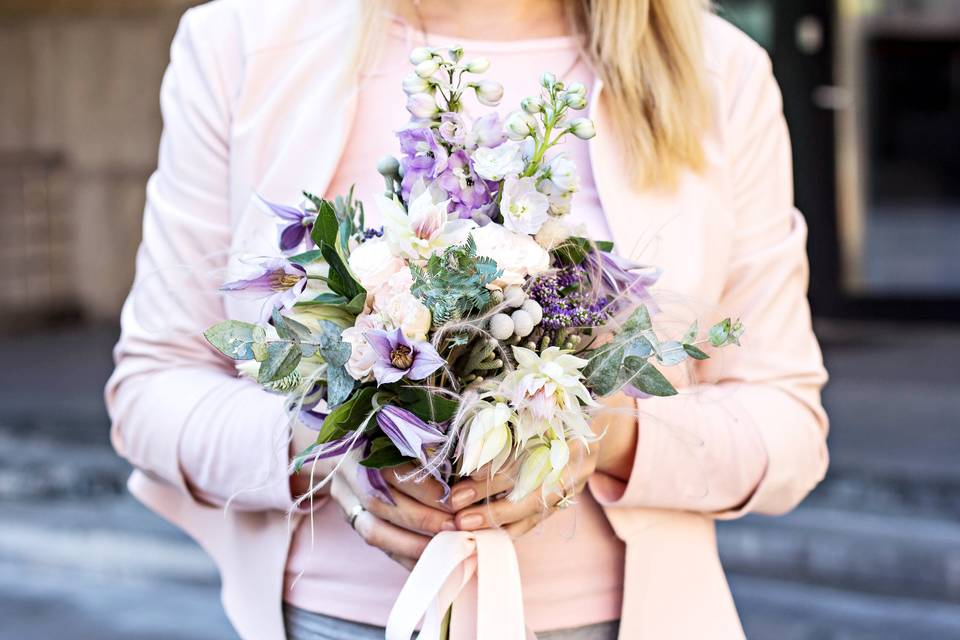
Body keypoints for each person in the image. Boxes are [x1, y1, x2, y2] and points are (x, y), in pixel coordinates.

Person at [105, 1, 829, 639]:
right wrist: (324, 446)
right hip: (331, 623)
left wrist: (600, 436)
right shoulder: (239, 45)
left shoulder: (718, 70)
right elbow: (151, 389)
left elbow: (789, 429)